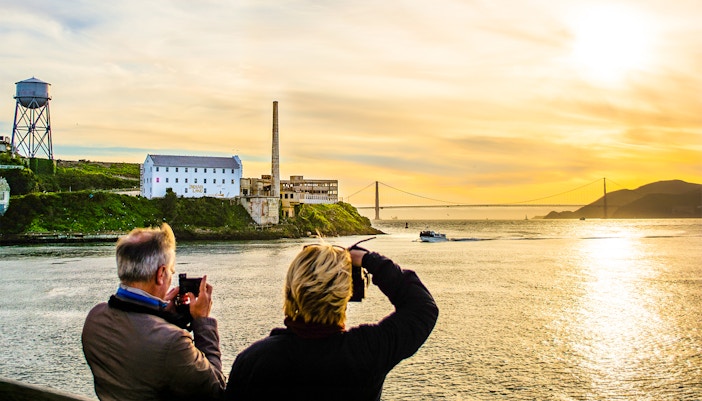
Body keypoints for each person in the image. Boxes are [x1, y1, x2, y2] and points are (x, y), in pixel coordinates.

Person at [225, 241, 439, 400]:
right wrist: (368, 259)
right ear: (347, 292)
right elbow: (422, 308)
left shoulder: (253, 361)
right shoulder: (366, 352)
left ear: (291, 289)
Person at [82, 223, 226, 401]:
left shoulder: (95, 317)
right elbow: (216, 390)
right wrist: (202, 321)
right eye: (171, 271)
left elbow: (139, 340)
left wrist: (164, 316)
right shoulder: (173, 343)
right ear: (161, 273)